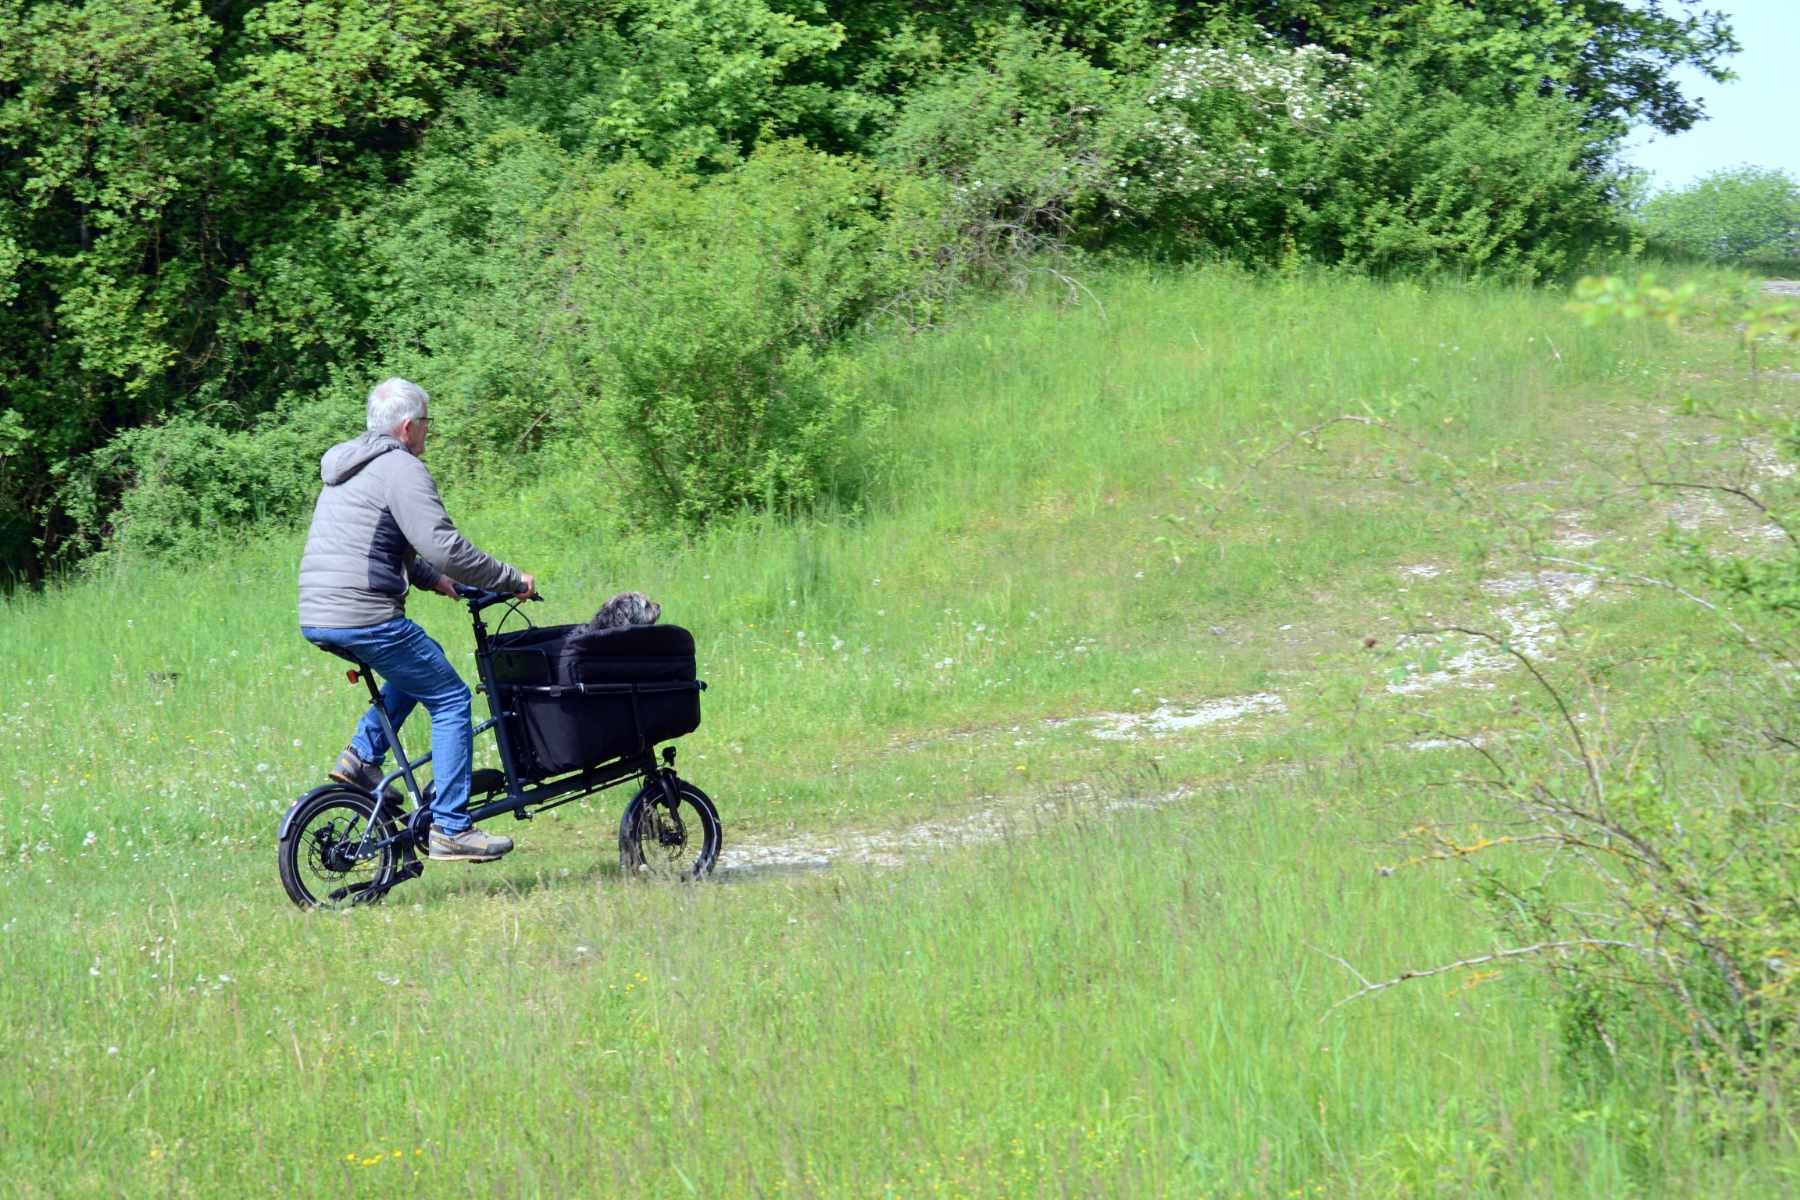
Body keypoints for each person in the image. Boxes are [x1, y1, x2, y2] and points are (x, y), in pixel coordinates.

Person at [297, 377, 535, 863]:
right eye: (427, 422)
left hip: (320, 612)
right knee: (450, 698)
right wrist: (511, 579)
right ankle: (451, 827)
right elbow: (444, 546)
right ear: (408, 427)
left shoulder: (350, 465)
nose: (429, 430)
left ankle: (361, 759)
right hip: (363, 613)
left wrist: (435, 581)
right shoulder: (401, 468)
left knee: (421, 666)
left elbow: (383, 541)